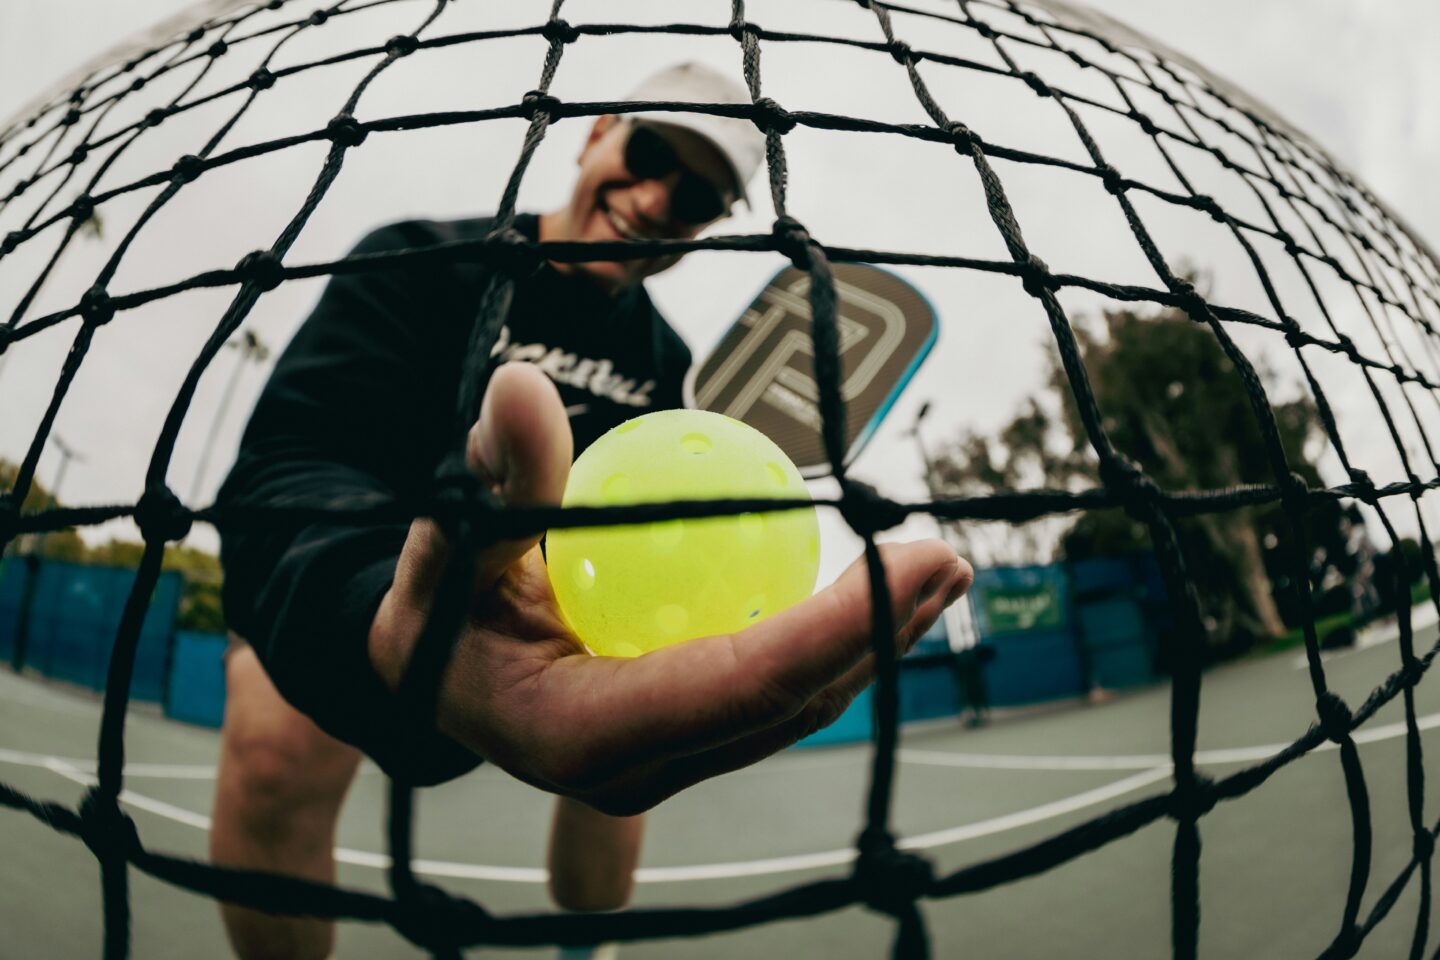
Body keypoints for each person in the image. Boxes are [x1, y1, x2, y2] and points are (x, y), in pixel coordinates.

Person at [210, 62, 972, 960]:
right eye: (648, 153)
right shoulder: (421, 261)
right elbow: (293, 458)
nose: (654, 200)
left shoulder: (672, 372)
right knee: (269, 745)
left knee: (632, 746)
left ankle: (588, 948)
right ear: (597, 131)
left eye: (696, 197)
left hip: (555, 628)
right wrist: (374, 605)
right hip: (357, 586)